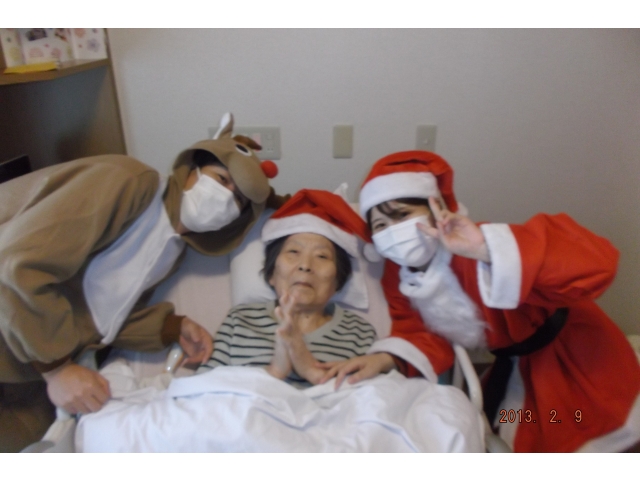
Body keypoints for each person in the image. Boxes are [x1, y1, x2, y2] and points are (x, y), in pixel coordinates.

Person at [0, 113, 287, 452]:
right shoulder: (129, 182)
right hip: (24, 343)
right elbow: (18, 265)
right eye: (221, 179)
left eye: (238, 200)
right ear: (192, 169)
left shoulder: (172, 248)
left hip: (29, 367)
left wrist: (171, 327)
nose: (225, 198)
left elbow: (101, 314)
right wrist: (57, 370)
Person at [322, 150, 640, 453]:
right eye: (380, 226)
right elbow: (421, 333)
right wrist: (383, 359)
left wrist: (485, 250)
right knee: (519, 435)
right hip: (516, 366)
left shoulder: (478, 243)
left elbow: (596, 264)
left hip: (577, 357)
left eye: (402, 215)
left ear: (436, 209)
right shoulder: (402, 276)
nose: (393, 232)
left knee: (591, 439)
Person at [197, 189, 377, 388]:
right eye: (293, 251)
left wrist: (309, 368)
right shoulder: (240, 320)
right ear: (272, 274)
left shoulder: (359, 333)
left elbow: (379, 396)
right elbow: (201, 391)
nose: (305, 265)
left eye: (322, 256)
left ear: (338, 281)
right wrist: (273, 373)